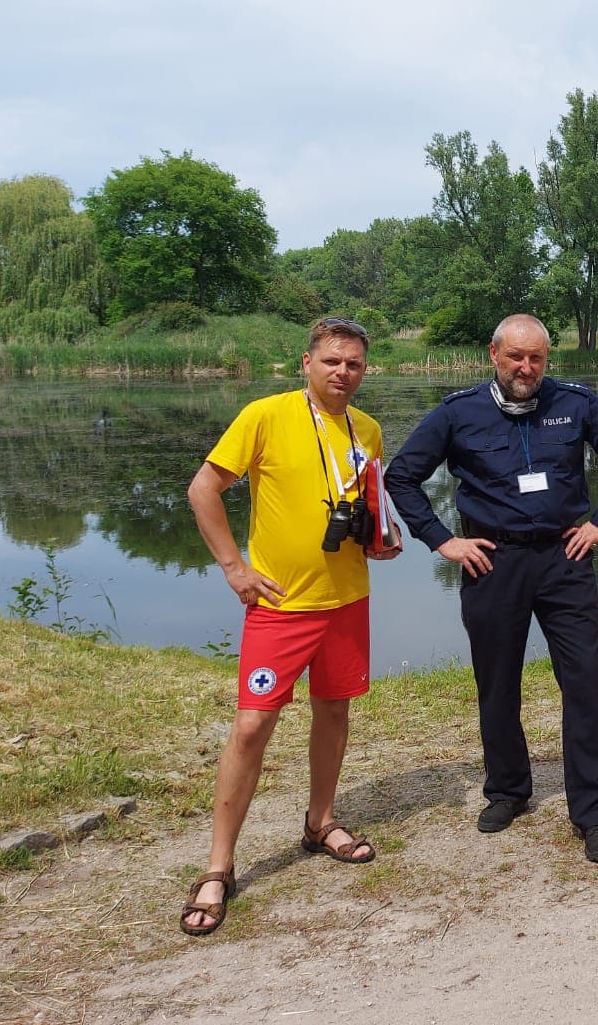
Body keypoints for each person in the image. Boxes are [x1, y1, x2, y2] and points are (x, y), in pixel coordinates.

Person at [384, 314, 598, 864]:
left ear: (548, 359)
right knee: (497, 682)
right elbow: (401, 475)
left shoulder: (576, 403)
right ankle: (508, 790)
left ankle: (595, 811)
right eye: (516, 357)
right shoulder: (458, 412)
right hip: (490, 561)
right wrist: (440, 540)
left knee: (587, 682)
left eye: (537, 358)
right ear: (493, 354)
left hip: (564, 557)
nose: (527, 368)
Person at [180, 316, 396, 937]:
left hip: (347, 598)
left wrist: (379, 541)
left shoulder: (369, 429)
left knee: (334, 710)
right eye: (332, 361)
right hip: (280, 605)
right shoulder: (265, 415)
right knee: (252, 724)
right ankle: (218, 867)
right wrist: (233, 567)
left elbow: (366, 503)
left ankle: (320, 821)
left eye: (354, 363)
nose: (343, 373)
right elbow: (203, 490)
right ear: (306, 363)